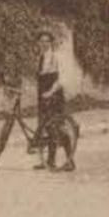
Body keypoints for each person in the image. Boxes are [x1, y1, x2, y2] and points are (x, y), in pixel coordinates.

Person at [36, 30, 74, 172]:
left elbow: (61, 79)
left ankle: (70, 161)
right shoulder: (40, 57)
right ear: (38, 43)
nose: (44, 44)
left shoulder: (56, 57)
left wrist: (50, 92)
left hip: (54, 95)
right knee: (45, 127)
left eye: (47, 41)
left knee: (57, 127)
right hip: (42, 96)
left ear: (51, 43)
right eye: (41, 41)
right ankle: (49, 161)